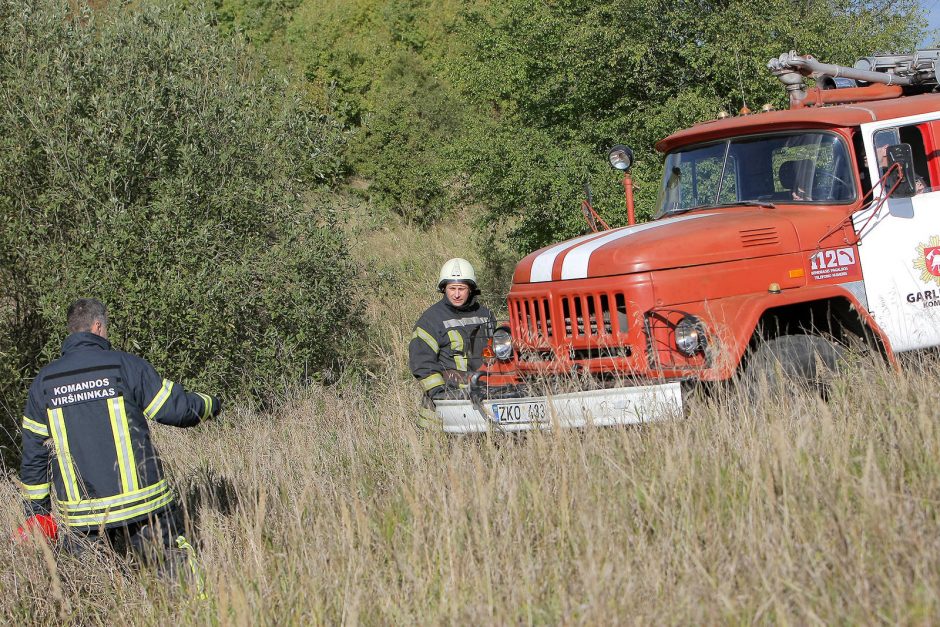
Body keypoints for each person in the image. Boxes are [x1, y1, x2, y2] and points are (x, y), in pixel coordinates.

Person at [17, 298, 221, 572]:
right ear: (98, 326)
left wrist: (37, 513)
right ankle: (194, 614)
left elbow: (34, 454)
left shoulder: (45, 382)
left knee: (91, 595)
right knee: (177, 578)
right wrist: (210, 404)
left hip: (83, 517)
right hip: (143, 505)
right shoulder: (124, 365)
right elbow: (175, 410)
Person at [409, 258, 496, 401]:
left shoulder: (486, 316)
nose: (456, 294)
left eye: (461, 289)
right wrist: (440, 393)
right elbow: (421, 361)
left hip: (486, 394)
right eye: (452, 288)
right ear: (444, 289)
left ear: (471, 289)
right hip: (447, 401)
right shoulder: (430, 320)